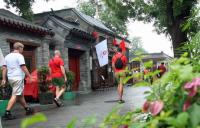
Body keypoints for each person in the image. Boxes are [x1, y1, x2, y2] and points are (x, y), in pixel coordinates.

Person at [1, 42, 34, 120]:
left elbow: (4, 68)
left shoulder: (7, 56)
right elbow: (23, 67)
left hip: (11, 78)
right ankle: (7, 112)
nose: (22, 50)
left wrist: (4, 79)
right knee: (15, 94)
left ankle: (27, 109)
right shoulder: (19, 56)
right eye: (22, 48)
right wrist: (30, 76)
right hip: (18, 78)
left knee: (20, 95)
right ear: (19, 48)